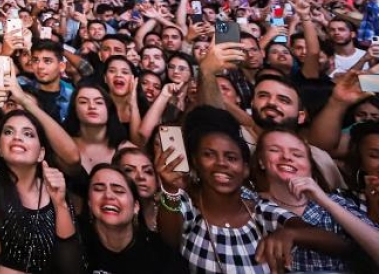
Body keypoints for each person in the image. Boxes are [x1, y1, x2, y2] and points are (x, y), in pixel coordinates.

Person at [154, 106, 341, 273]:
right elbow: (170, 242)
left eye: (231, 157)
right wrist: (170, 189)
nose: (221, 163)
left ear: (245, 169)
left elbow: (341, 245)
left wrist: (291, 233)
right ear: (195, 162)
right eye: (209, 154)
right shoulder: (187, 205)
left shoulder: (259, 210)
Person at [0, 107, 83, 274]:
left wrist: (60, 203)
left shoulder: (55, 189)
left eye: (28, 134)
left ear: (41, 154)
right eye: (8, 132)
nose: (17, 137)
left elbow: (72, 267)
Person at [249, 125, 379, 270]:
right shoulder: (251, 205)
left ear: (310, 166)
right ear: (261, 161)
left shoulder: (337, 200)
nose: (286, 157)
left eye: (297, 154)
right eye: (274, 150)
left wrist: (325, 201)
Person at [82, 163, 185, 273]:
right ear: (89, 203)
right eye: (98, 189)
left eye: (119, 191)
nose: (108, 195)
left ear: (136, 206)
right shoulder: (78, 248)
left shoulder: (162, 255)